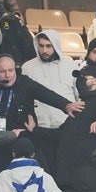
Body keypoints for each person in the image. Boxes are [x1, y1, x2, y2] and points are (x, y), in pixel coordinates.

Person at [0, 53, 85, 180]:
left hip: (25, 142)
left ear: (16, 69)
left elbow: (47, 95)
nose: (7, 75)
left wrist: (66, 105)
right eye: (2, 71)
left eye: (11, 70)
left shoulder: (25, 83)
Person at [25, 65, 96, 188]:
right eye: (79, 78)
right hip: (66, 170)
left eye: (84, 77)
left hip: (84, 171)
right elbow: (61, 133)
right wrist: (35, 130)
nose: (81, 81)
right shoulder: (82, 104)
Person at [22, 29, 79, 173]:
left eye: (48, 46)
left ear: (56, 45)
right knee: (45, 172)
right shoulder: (27, 67)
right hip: (40, 128)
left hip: (66, 128)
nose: (44, 50)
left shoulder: (71, 65)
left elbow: (79, 95)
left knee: (66, 172)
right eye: (41, 46)